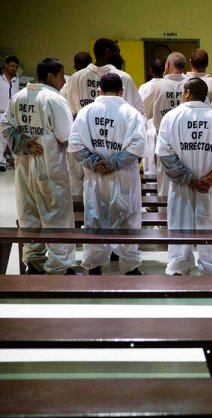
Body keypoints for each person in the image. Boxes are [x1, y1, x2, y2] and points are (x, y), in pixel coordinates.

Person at [0, 57, 77, 274]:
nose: (64, 81)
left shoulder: (19, 96)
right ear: (50, 76)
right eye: (61, 76)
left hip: (24, 169)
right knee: (57, 218)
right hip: (51, 168)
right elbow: (67, 138)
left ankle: (34, 262)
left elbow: (5, 125)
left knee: (30, 216)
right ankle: (59, 267)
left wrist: (23, 143)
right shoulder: (54, 99)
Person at [155, 77, 212, 276]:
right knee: (211, 228)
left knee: (179, 227)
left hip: (181, 186)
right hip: (209, 186)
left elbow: (165, 154)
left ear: (187, 93)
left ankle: (179, 266)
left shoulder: (171, 117)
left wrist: (188, 178)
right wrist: (209, 178)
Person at [68, 73, 146, 275]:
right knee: (128, 220)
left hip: (95, 178)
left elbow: (75, 143)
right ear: (122, 91)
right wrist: (113, 163)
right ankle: (130, 266)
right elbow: (138, 145)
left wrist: (95, 163)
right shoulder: (131, 113)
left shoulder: (86, 112)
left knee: (94, 219)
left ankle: (94, 265)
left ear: (99, 91)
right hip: (124, 177)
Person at [62, 38, 143, 195]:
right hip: (117, 145)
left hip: (86, 145)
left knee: (84, 193)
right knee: (118, 195)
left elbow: (71, 111)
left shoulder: (76, 77)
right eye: (117, 52)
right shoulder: (123, 77)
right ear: (107, 52)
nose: (120, 56)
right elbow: (138, 112)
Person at [143, 52, 186, 196]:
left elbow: (147, 112)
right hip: (187, 140)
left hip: (164, 140)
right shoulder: (191, 83)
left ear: (167, 65)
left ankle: (164, 208)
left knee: (165, 181)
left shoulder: (158, 86)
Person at [138, 58, 165, 176]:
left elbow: (141, 112)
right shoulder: (168, 86)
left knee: (151, 174)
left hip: (149, 132)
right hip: (165, 133)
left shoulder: (144, 88)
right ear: (165, 70)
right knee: (165, 172)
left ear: (151, 70)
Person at [1, 55, 21, 172]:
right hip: (0, 111)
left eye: (16, 67)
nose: (14, 69)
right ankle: (1, 163)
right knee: (0, 140)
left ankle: (17, 162)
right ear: (6, 65)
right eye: (12, 66)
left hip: (11, 113)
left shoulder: (16, 79)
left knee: (12, 138)